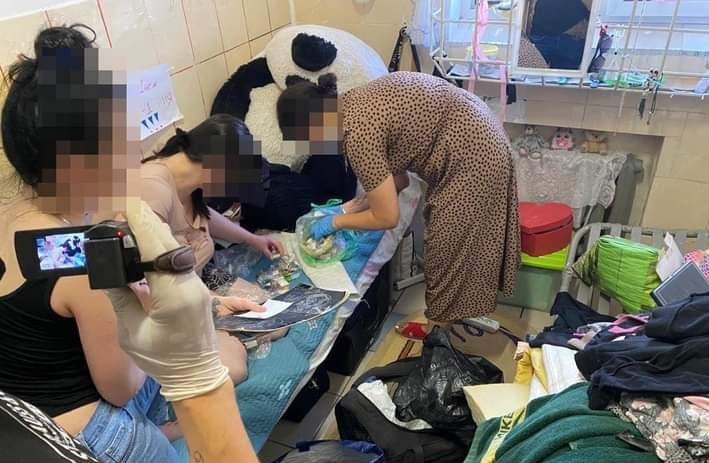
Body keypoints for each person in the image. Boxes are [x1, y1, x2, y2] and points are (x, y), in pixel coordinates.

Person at [0, 24, 180, 462]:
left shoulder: (14, 218)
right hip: (86, 432)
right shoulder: (80, 252)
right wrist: (149, 310)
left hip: (21, 415)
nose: (137, 154)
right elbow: (121, 388)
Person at [277, 72, 521, 346]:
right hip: (480, 130)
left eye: (308, 141)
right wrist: (346, 209)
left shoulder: (356, 133)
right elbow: (399, 181)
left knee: (445, 251)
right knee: (451, 244)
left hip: (475, 156)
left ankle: (436, 341)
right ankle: (445, 320)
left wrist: (335, 223)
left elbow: (387, 217)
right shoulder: (351, 103)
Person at [140, 114, 286, 317]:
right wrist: (216, 303)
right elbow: (154, 285)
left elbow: (203, 216)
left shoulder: (189, 178)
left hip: (199, 275)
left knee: (268, 308)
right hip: (171, 297)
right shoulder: (152, 190)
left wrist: (253, 239)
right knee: (263, 321)